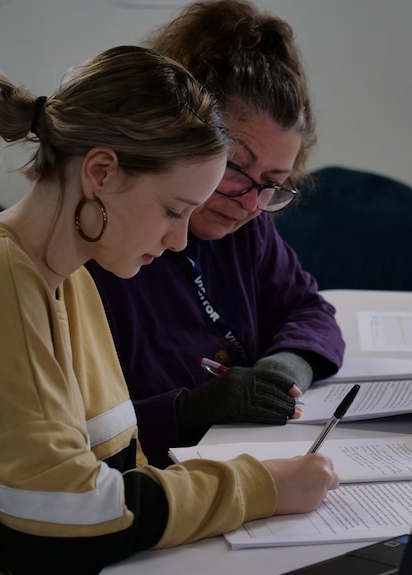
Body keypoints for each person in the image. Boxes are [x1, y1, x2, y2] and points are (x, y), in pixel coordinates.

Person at [0, 45, 339, 575]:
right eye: (173, 211)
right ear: (100, 172)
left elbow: (119, 468)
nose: (176, 241)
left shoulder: (68, 274)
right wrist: (257, 486)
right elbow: (53, 527)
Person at [86, 0, 346, 467]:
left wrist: (284, 367)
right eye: (234, 168)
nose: (250, 203)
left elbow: (308, 308)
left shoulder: (248, 227)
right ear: (181, 136)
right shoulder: (98, 253)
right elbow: (75, 442)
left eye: (272, 183)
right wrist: (188, 410)